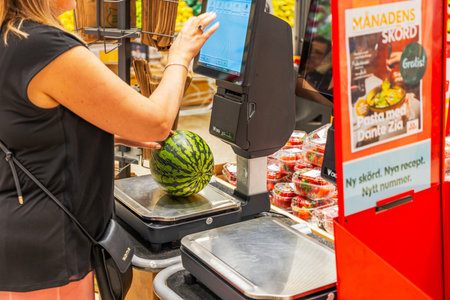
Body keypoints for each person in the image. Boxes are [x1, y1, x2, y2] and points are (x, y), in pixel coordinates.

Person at [0, 0, 218, 297]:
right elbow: (157, 124)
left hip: (21, 236)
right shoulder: (44, 46)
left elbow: (24, 126)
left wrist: (98, 134)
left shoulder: (10, 37)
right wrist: (180, 56)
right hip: (51, 249)